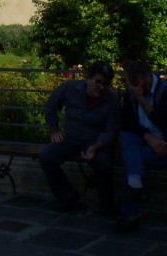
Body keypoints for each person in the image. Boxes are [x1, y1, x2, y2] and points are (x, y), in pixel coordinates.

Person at [116, 60, 167, 232]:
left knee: (134, 161)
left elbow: (164, 122)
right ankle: (134, 186)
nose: (133, 88)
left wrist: (141, 99)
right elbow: (127, 123)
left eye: (137, 85)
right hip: (145, 139)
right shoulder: (131, 92)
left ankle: (129, 212)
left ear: (145, 80)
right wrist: (148, 137)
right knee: (128, 140)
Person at [39, 61, 119, 214]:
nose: (101, 87)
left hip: (96, 141)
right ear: (87, 78)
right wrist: (54, 130)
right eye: (98, 82)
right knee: (46, 157)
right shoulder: (70, 88)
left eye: (105, 84)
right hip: (72, 138)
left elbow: (112, 130)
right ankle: (67, 195)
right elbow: (50, 106)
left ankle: (107, 205)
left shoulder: (111, 100)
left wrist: (96, 146)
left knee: (103, 163)